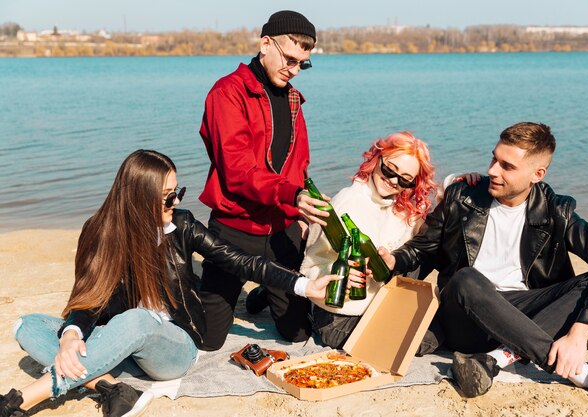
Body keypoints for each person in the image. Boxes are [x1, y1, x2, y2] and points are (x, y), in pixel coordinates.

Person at [0, 150, 340, 417]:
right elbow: (91, 298)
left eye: (176, 192)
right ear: (137, 199)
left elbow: (241, 261)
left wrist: (304, 286)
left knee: (135, 320)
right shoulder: (100, 232)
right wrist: (71, 336)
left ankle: (21, 401)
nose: (176, 201)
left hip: (174, 346)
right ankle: (109, 387)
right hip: (121, 344)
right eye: (166, 197)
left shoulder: (182, 225)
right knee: (27, 325)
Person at [381, 122, 588, 400]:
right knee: (467, 278)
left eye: (507, 166)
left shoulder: (556, 211)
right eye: (494, 159)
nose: (492, 171)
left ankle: (494, 360)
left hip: (524, 318)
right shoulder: (461, 197)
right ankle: (584, 374)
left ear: (537, 174)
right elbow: (423, 250)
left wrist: (579, 334)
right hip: (465, 317)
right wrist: (393, 261)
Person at [197, 10, 326, 347]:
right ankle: (199, 280)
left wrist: (302, 210)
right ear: (265, 43)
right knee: (208, 339)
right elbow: (238, 172)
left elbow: (299, 166)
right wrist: (294, 196)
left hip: (282, 231)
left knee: (296, 335)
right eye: (290, 58)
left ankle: (267, 294)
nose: (295, 69)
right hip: (234, 231)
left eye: (303, 64)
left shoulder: (294, 98)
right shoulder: (227, 93)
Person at [301, 131, 479, 349]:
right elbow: (311, 264)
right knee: (430, 339)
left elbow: (428, 239)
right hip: (340, 318)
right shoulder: (348, 203)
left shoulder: (394, 203)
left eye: (404, 179)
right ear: (377, 158)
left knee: (434, 247)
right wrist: (338, 278)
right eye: (389, 169)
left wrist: (453, 186)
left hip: (378, 302)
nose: (393, 181)